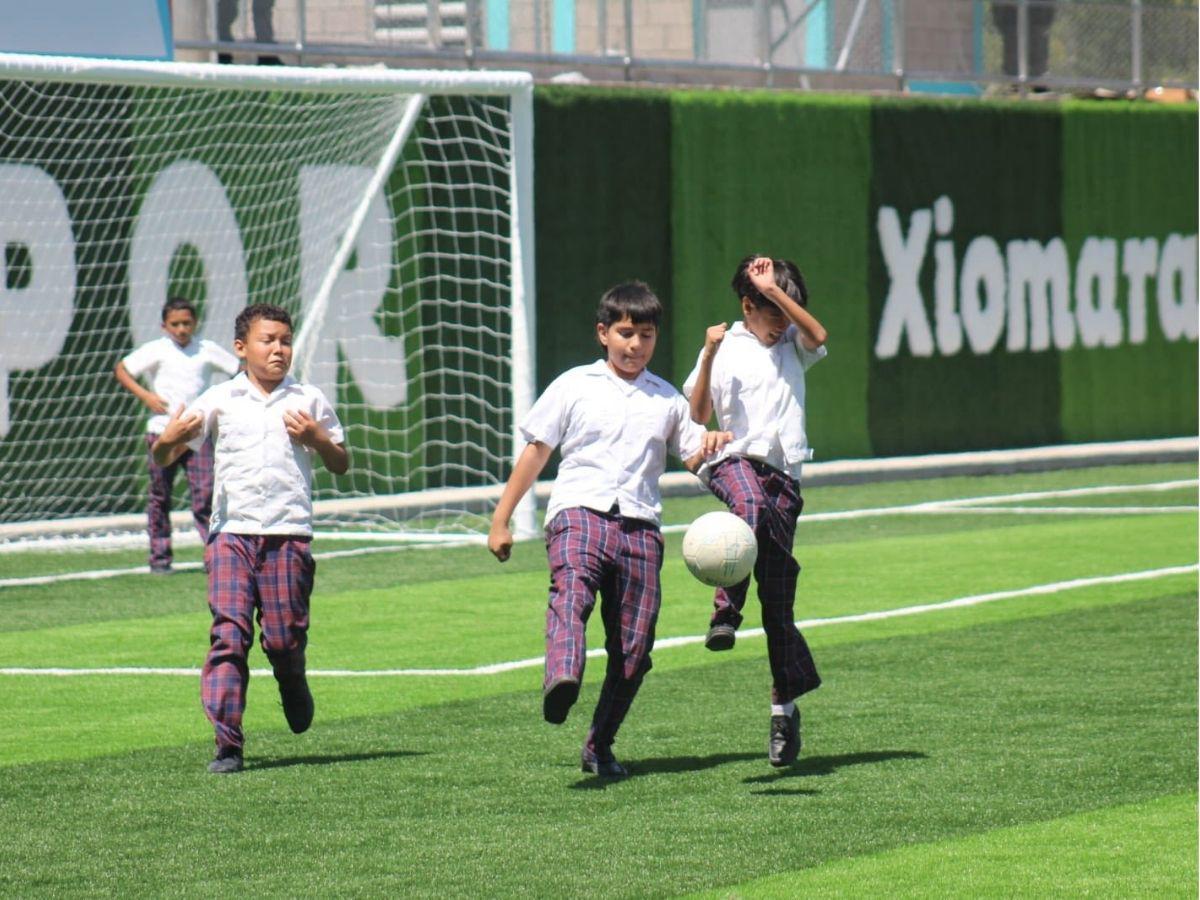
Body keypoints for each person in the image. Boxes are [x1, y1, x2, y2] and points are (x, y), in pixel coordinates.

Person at [488, 282, 731, 779]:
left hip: (641, 528)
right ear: (603, 333)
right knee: (571, 592)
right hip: (579, 512)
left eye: (646, 334)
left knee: (635, 650)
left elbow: (692, 455)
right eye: (625, 333)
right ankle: (563, 677)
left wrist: (713, 443)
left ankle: (600, 744)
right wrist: (501, 517)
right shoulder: (574, 384)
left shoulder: (666, 398)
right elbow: (537, 450)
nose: (635, 345)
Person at [153, 303, 348, 774]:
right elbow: (163, 457)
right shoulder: (219, 399)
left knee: (281, 639)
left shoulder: (309, 399)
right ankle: (227, 743)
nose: (278, 349)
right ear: (242, 348)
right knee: (229, 634)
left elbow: (340, 462)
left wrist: (320, 439)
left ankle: (292, 677)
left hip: (287, 535)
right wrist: (168, 439)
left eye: (285, 340)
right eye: (268, 340)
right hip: (230, 536)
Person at [682, 255, 828, 768]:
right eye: (770, 313)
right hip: (732, 461)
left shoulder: (794, 346)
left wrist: (780, 294)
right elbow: (697, 415)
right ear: (747, 306)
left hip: (785, 478)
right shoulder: (724, 348)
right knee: (747, 505)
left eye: (786, 314)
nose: (781, 324)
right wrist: (706, 352)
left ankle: (784, 712)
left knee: (780, 604)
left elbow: (818, 331)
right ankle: (725, 613)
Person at [115, 297, 241, 574]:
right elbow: (122, 369)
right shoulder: (157, 350)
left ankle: (214, 556)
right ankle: (160, 559)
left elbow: (239, 370)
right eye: (175, 324)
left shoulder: (207, 350)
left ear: (195, 322)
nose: (182, 329)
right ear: (164, 326)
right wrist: (146, 396)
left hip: (197, 433)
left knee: (206, 493)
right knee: (160, 495)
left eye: (186, 323)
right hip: (163, 432)